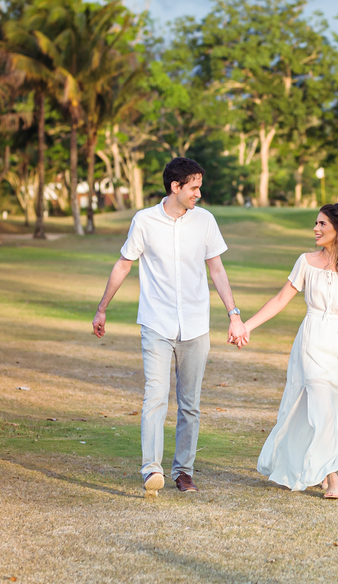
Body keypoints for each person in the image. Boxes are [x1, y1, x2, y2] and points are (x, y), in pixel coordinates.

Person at [92, 157, 247, 497]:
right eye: (194, 187)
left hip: (196, 326)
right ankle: (151, 469)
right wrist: (102, 309)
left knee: (190, 404)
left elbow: (217, 269)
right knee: (155, 396)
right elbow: (124, 264)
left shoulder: (205, 221)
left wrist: (233, 315)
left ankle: (183, 472)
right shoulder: (144, 221)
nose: (199, 194)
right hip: (156, 324)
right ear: (175, 187)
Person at [233, 203, 338, 499]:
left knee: (337, 412)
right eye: (316, 223)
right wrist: (246, 326)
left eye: (322, 224)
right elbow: (280, 299)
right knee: (321, 405)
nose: (315, 228)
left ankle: (323, 466)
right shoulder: (305, 262)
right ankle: (333, 478)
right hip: (312, 339)